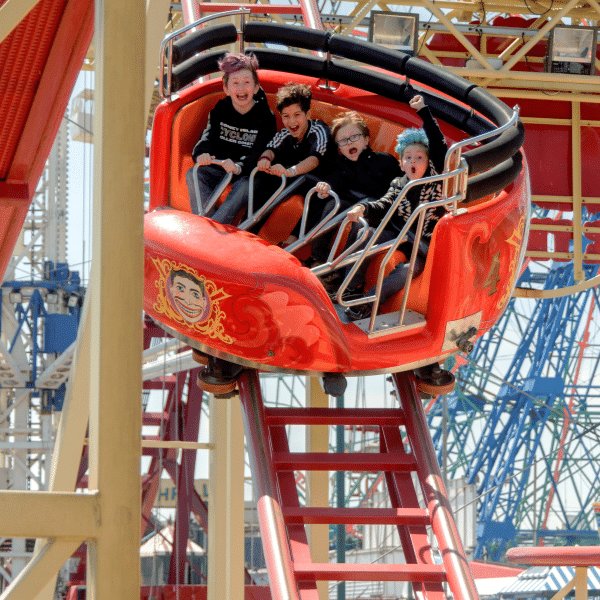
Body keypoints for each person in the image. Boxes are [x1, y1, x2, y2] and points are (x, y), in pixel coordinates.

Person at [341, 94, 448, 321]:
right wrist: (365, 210)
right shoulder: (399, 184)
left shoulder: (435, 180)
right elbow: (385, 203)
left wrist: (423, 112)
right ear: (400, 163)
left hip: (422, 245)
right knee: (366, 233)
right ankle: (350, 287)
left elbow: (439, 146)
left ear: (428, 163)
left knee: (407, 271)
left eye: (419, 158)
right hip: (400, 235)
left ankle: (368, 303)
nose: (412, 162)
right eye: (407, 158)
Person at [211, 82, 333, 232]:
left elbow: (314, 160)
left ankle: (252, 231)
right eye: (286, 116)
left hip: (317, 181)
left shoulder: (318, 130)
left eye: (297, 115)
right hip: (290, 177)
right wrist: (265, 160)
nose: (292, 122)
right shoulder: (285, 133)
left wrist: (290, 171)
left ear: (307, 114)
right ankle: (239, 229)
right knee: (260, 180)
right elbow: (271, 148)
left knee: (288, 182)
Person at [185, 52, 276, 216]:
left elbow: (259, 151)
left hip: (246, 172)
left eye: (247, 82)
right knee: (194, 173)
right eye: (235, 83)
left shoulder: (265, 117)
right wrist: (200, 154)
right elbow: (207, 137)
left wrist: (239, 167)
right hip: (221, 167)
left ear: (256, 87)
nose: (241, 88)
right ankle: (205, 220)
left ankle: (216, 223)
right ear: (226, 88)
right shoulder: (220, 109)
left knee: (246, 185)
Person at [308, 111, 402, 265]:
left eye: (354, 137)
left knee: (359, 223)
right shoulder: (341, 165)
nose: (349, 143)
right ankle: (318, 257)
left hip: (376, 212)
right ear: (339, 148)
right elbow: (334, 181)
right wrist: (326, 187)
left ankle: (342, 270)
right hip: (351, 207)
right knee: (332, 205)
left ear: (366, 140)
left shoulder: (384, 161)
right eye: (343, 141)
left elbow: (397, 191)